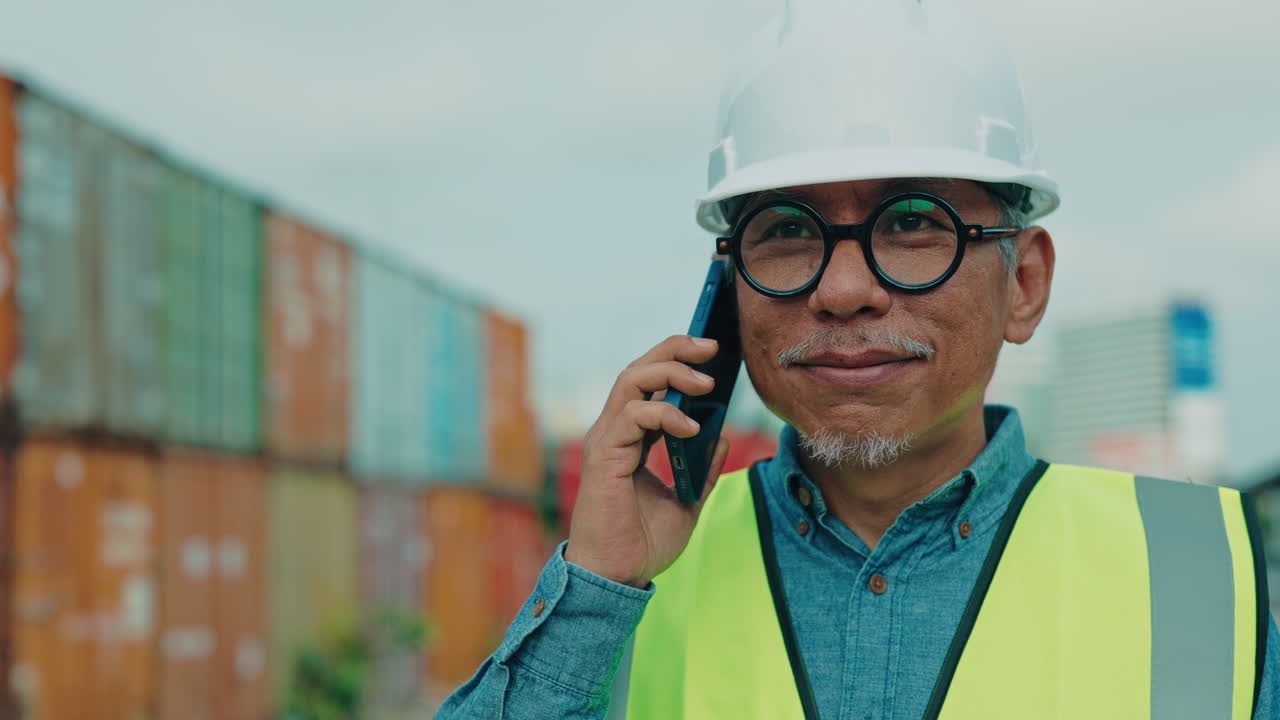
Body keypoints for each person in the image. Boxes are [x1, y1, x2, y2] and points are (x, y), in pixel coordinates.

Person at [438, 0, 1279, 717]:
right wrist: (596, 590)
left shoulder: (1201, 577)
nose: (843, 289)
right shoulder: (624, 581)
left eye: (913, 222)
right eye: (790, 230)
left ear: (1023, 283)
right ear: (728, 291)